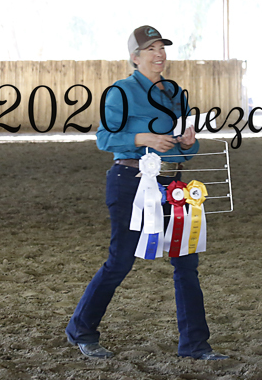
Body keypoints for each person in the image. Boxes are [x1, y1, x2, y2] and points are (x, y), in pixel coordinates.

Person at [65, 25, 227, 361]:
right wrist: (144, 139)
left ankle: (195, 344)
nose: (159, 54)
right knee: (120, 260)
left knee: (186, 261)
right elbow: (104, 139)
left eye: (162, 48)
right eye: (151, 49)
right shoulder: (121, 92)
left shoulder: (176, 94)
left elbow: (185, 149)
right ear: (135, 57)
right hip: (130, 180)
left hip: (172, 185)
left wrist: (188, 143)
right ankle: (81, 329)